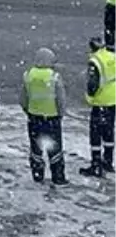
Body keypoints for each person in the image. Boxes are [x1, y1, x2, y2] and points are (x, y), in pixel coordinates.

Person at [22, 47, 68, 185]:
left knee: (36, 150)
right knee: (55, 151)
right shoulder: (54, 77)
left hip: (34, 118)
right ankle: (58, 177)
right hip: (51, 119)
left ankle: (37, 175)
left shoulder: (28, 75)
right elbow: (61, 100)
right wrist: (60, 114)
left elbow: (23, 99)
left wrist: (29, 111)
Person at [80, 37, 116, 177]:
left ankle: (96, 164)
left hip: (101, 102)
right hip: (113, 101)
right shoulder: (112, 56)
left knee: (95, 134)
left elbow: (93, 84)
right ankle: (108, 161)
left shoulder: (95, 60)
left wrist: (90, 97)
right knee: (109, 132)